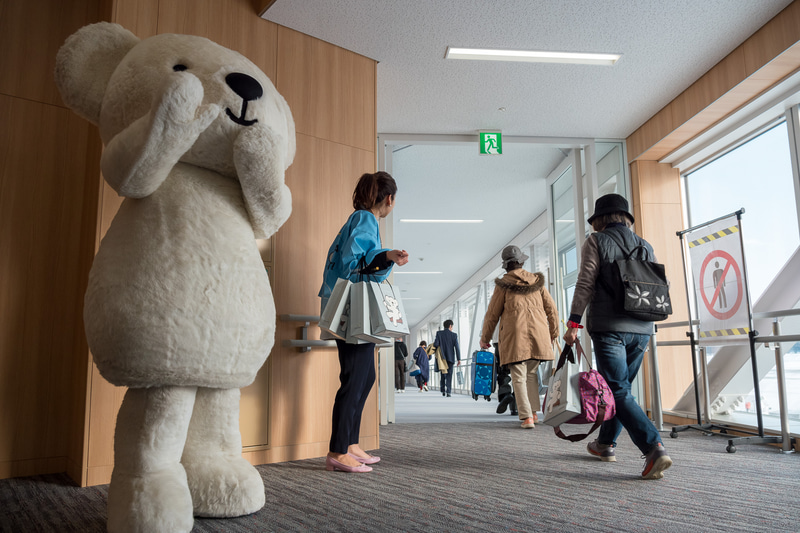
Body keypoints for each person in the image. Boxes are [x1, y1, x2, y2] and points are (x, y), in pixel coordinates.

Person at [563, 193, 673, 480]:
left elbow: (585, 281)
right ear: (625, 217)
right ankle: (605, 444)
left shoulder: (596, 241)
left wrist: (573, 323)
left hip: (610, 326)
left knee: (618, 389)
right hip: (642, 328)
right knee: (619, 390)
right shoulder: (645, 245)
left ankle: (653, 447)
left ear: (600, 219)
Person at [318, 171, 409, 473]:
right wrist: (387, 256)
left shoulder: (358, 219)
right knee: (354, 379)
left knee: (363, 377)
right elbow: (352, 263)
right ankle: (337, 450)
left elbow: (354, 261)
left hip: (351, 311)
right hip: (352, 313)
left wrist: (385, 256)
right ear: (389, 198)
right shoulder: (365, 219)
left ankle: (350, 443)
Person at [480, 245, 558, 429]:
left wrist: (485, 337)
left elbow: (492, 314)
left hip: (515, 337)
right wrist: (554, 333)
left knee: (519, 376)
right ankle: (532, 413)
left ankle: (526, 417)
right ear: (522, 262)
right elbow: (551, 309)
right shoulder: (536, 282)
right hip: (538, 336)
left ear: (506, 266)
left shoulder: (503, 286)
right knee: (531, 375)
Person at [432, 320, 460, 396]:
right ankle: (448, 391)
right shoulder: (454, 335)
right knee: (449, 375)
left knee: (443, 374)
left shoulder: (439, 333)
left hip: (442, 358)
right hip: (450, 358)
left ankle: (443, 390)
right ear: (450, 326)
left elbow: (436, 344)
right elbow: (457, 348)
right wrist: (459, 359)